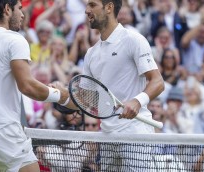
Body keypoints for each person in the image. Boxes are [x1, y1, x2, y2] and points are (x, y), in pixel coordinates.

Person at [52, 0, 164, 171]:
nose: (86, 10)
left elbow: (157, 82)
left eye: (92, 5)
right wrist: (60, 95)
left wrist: (137, 101)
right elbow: (86, 102)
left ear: (109, 7)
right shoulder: (91, 54)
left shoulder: (133, 40)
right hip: (107, 137)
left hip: (134, 133)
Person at [0, 0, 68, 171]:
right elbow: (27, 86)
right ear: (7, 9)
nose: (23, 14)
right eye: (19, 8)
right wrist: (61, 95)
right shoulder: (15, 40)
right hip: (4, 135)